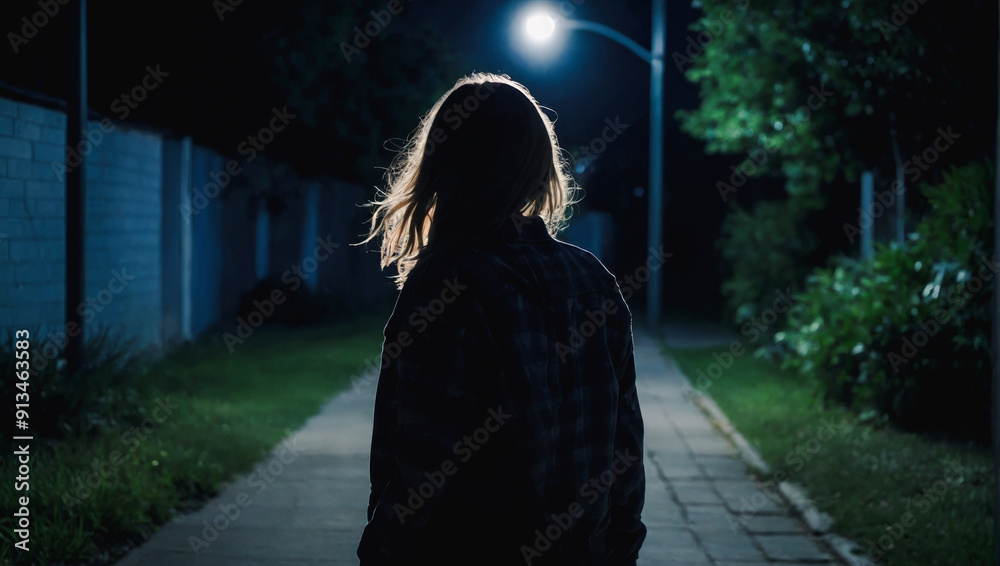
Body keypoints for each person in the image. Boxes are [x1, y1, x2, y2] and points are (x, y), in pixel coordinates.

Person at [357, 73, 645, 566]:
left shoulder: (450, 285)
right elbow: (625, 451)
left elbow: (422, 464)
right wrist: (619, 547)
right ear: (537, 168)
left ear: (443, 167)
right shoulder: (593, 281)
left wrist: (381, 552)